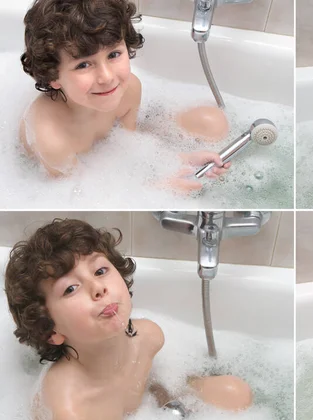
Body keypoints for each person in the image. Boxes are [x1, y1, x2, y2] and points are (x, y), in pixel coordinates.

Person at [4, 218, 252, 419]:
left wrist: (166, 397)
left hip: (146, 405)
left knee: (237, 393)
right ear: (51, 331)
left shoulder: (148, 337)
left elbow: (155, 382)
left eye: (100, 270)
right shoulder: (71, 408)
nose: (98, 288)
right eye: (70, 288)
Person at [19, 0, 229, 191]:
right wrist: (156, 187)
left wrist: (181, 160)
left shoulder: (129, 90)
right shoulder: (51, 138)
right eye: (83, 64)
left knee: (213, 122)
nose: (107, 77)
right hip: (71, 178)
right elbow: (82, 192)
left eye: (113, 55)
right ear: (53, 76)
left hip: (100, 157)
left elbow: (128, 147)